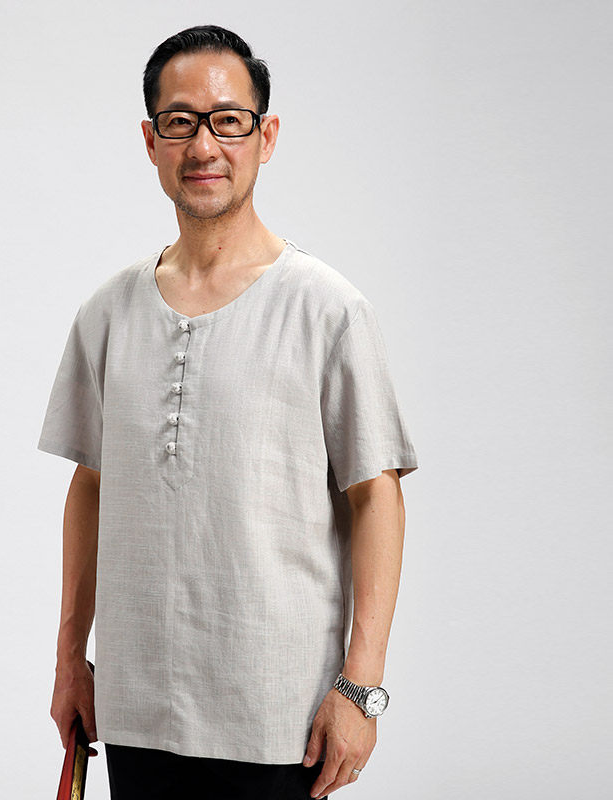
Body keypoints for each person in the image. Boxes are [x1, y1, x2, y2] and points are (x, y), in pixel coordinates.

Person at [37, 24, 419, 800]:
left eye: (228, 120)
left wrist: (361, 687)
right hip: (136, 711)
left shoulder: (327, 309)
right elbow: (91, 486)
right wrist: (70, 658)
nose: (203, 145)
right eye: (180, 122)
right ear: (151, 142)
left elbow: (376, 495)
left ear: (265, 137)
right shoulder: (108, 313)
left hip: (278, 714)